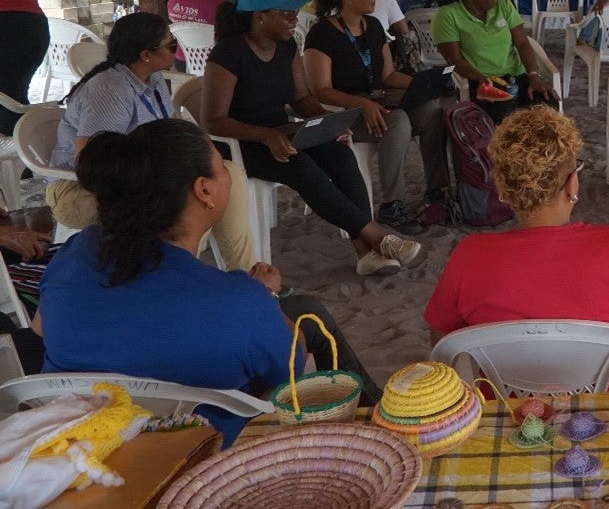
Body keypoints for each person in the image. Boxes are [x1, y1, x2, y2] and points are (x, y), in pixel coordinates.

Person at [36, 119, 378, 445]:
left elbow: (40, 328)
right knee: (305, 320)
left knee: (306, 308)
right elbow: (291, 367)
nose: (228, 173)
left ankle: (373, 406)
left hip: (76, 445)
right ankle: (371, 418)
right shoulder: (240, 302)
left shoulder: (75, 251)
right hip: (196, 458)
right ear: (204, 190)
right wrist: (266, 296)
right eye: (222, 164)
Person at [424, 106, 609, 390]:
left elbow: (443, 346)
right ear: (572, 185)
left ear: (503, 190)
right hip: (608, 413)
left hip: (506, 415)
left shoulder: (469, 256)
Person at [204, 0, 422, 277]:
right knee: (302, 166)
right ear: (259, 17)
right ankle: (378, 239)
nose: (294, 20)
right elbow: (213, 119)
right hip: (242, 142)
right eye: (286, 15)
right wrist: (267, 135)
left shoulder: (287, 46)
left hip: (282, 132)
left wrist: (328, 123)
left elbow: (302, 98)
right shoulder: (229, 53)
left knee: (340, 154)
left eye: (294, 14)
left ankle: (365, 252)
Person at [45, 12, 258, 271]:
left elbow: (172, 129)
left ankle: (245, 274)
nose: (176, 52)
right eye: (171, 46)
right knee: (185, 200)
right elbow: (90, 162)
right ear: (146, 54)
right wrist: (154, 179)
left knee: (226, 174)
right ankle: (183, 275)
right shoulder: (111, 90)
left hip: (140, 178)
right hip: (86, 190)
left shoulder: (153, 78)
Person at [304, 0, 448, 236]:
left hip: (378, 103)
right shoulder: (321, 33)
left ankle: (435, 191)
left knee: (431, 110)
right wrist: (362, 105)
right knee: (399, 120)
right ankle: (392, 204)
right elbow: (320, 89)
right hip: (345, 112)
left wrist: (424, 83)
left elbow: (389, 74)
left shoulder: (373, 26)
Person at [432, 0, 558, 124]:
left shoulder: (503, 3)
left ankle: (536, 150)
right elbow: (455, 61)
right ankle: (507, 150)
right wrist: (481, 78)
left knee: (548, 105)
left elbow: (522, 42)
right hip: (480, 80)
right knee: (503, 113)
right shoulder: (447, 15)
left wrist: (534, 76)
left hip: (516, 77)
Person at [0, 0, 53, 134]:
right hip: (32, 27)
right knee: (15, 94)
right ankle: (24, 151)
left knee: (7, 99)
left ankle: (18, 153)